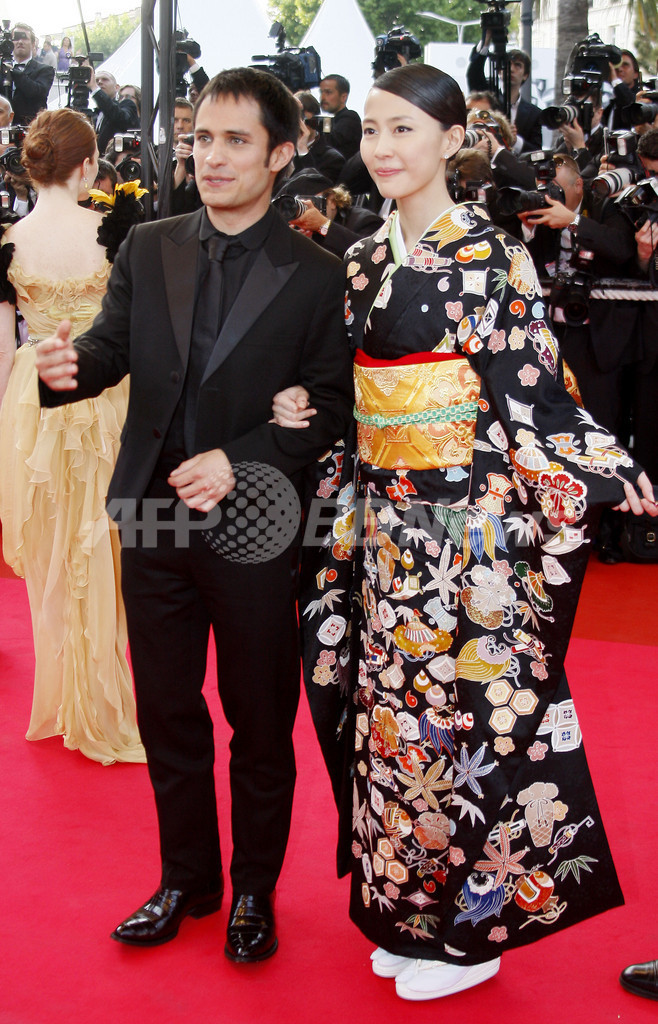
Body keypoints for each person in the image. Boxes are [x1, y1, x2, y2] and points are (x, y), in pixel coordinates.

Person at [273, 63, 656, 1001]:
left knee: (463, 721)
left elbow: (532, 387)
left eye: (403, 129)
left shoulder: (493, 254)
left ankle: (470, 939)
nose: (382, 147)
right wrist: (306, 412)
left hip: (462, 533)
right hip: (380, 528)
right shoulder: (363, 257)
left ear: (452, 140)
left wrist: (597, 464)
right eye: (371, 129)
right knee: (390, 722)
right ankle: (406, 915)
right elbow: (346, 392)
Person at [35, 67, 353, 962]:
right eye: (202, 138)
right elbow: (109, 348)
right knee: (168, 712)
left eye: (235, 141)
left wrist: (243, 458)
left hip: (256, 526)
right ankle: (187, 879)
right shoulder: (150, 245)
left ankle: (253, 889)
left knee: (259, 718)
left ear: (281, 155)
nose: (211, 157)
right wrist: (69, 370)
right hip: (153, 516)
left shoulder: (317, 274)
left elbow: (331, 405)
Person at [0, 107, 145, 765]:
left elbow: (5, 349)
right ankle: (102, 697)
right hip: (109, 392)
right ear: (88, 166)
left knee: (55, 546)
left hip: (32, 398)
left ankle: (68, 698)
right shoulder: (116, 232)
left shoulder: (9, 241)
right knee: (106, 548)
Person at [88, 67, 140, 156]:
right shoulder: (94, 115)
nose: (99, 82)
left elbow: (118, 115)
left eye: (105, 79)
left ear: (117, 88)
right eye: (96, 80)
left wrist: (95, 88)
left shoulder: (127, 105)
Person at [10, 23, 55, 125]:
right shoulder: (2, 69)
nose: (20, 41)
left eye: (24, 38)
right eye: (16, 38)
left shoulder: (45, 70)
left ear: (33, 44)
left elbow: (37, 92)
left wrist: (14, 72)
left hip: (30, 128)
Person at [320, 74, 362, 160]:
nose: (322, 97)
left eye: (328, 92)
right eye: (321, 92)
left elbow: (330, 142)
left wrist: (324, 122)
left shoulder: (350, 117)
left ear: (343, 97)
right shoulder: (332, 120)